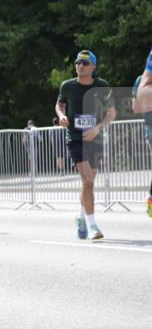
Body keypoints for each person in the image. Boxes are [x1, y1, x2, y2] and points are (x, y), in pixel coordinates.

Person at [55, 50, 116, 240]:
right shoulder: (68, 86)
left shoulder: (102, 86)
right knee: (88, 181)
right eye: (77, 62)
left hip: (95, 140)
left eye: (85, 63)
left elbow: (111, 113)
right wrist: (62, 116)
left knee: (88, 184)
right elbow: (59, 105)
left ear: (93, 67)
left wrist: (98, 128)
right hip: (75, 138)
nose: (80, 65)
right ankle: (93, 226)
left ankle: (81, 218)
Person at [133, 46, 152, 217]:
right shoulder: (140, 81)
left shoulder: (140, 79)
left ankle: (151, 199)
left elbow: (137, 107)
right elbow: (136, 107)